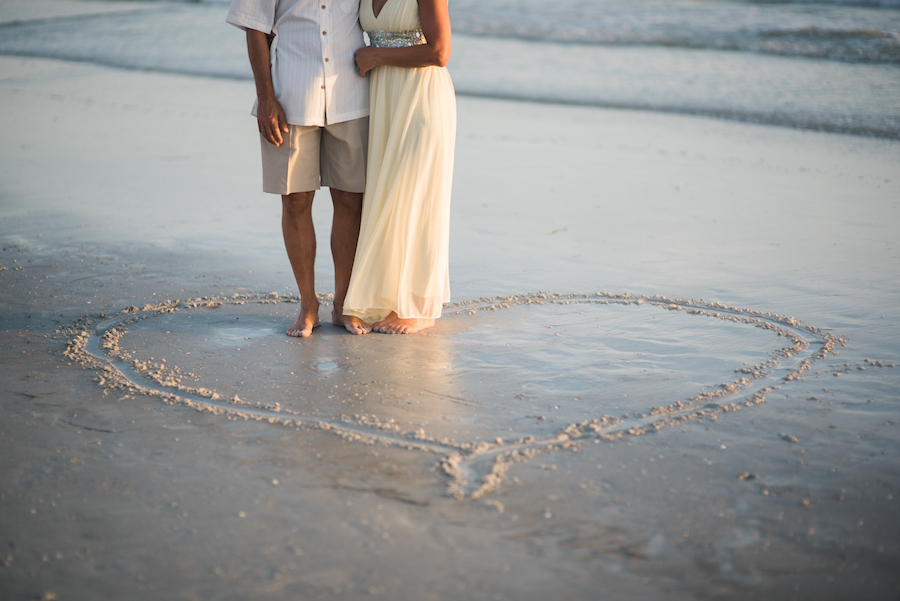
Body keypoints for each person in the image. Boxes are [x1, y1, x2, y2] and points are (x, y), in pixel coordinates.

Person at [226, 0, 373, 337]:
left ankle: (344, 304)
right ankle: (308, 305)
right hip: (290, 98)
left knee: (351, 200)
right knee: (295, 199)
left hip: (351, 95)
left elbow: (381, 15)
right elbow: (254, 27)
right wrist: (265, 99)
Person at [341, 0, 456, 334]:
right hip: (381, 97)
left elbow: (440, 52)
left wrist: (377, 56)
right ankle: (391, 298)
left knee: (416, 195)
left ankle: (420, 307)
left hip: (422, 97)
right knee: (386, 196)